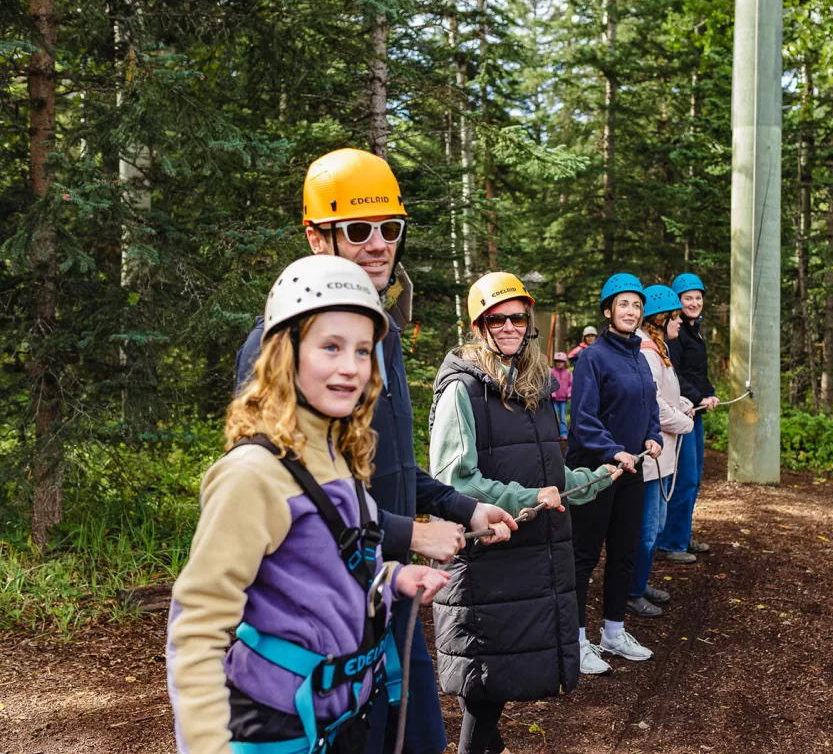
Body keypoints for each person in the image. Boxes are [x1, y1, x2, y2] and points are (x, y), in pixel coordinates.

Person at [233, 148, 517, 754]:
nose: (379, 243)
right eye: (358, 230)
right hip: (322, 617)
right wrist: (405, 534)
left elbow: (388, 465)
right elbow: (286, 497)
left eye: (390, 228)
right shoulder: (282, 345)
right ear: (316, 237)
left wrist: (462, 508)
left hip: (391, 597)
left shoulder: (376, 341)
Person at [167, 255, 458, 754]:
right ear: (286, 353)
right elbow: (196, 632)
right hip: (279, 731)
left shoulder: (339, 456)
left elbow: (324, 573)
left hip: (344, 721)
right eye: (330, 346)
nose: (351, 366)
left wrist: (391, 580)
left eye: (364, 350)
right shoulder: (253, 475)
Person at [427, 272, 622, 754]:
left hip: (529, 554)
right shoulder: (463, 391)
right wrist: (529, 498)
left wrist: (592, 479)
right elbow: (454, 481)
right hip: (484, 556)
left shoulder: (530, 385)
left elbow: (548, 473)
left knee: (499, 678)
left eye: (518, 317)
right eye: (498, 318)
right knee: (483, 679)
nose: (511, 326)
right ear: (479, 325)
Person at [567, 273, 663, 676]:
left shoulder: (640, 356)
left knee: (624, 553)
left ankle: (614, 632)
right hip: (594, 472)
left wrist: (653, 436)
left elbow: (649, 407)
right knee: (584, 557)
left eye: (637, 306)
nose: (631, 311)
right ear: (608, 311)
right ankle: (575, 640)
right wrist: (613, 450)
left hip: (632, 471)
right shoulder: (592, 357)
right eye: (623, 304)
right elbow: (583, 420)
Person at [627, 285, 694, 619]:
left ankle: (640, 581)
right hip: (651, 456)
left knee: (656, 524)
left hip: (662, 455)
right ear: (661, 317)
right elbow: (652, 403)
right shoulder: (648, 353)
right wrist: (684, 423)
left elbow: (666, 396)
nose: (680, 322)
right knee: (647, 528)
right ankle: (632, 590)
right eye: (675, 316)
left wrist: (684, 405)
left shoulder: (658, 350)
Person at [659, 272, 719, 563]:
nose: (694, 303)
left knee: (693, 478)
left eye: (698, 297)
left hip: (695, 411)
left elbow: (698, 374)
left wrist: (710, 392)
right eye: (688, 298)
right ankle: (670, 542)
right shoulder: (675, 334)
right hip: (682, 411)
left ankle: (681, 534)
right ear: (678, 302)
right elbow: (677, 376)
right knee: (683, 479)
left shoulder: (695, 331)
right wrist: (699, 397)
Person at [550, 351, 572, 439]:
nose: (559, 363)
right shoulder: (551, 372)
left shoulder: (567, 373)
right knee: (554, 416)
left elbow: (571, 384)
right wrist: (553, 393)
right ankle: (554, 434)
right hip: (554, 399)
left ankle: (563, 433)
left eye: (561, 361)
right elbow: (549, 383)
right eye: (557, 361)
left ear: (565, 362)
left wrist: (569, 392)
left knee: (563, 417)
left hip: (564, 399)